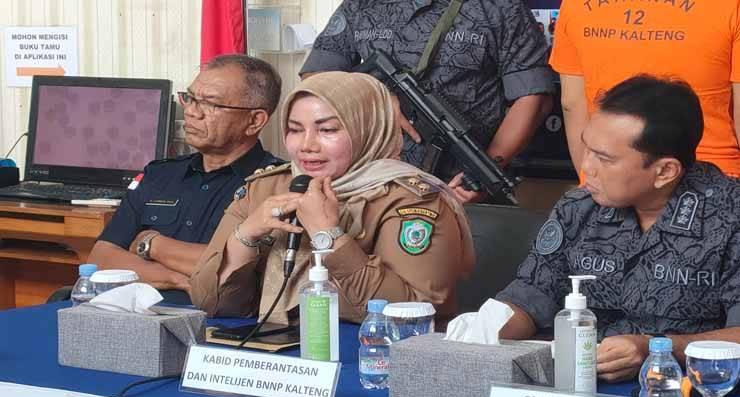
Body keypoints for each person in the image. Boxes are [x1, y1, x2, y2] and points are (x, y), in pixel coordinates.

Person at [495, 76, 740, 382]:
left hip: (694, 395)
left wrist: (659, 349)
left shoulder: (729, 217)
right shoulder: (578, 207)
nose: (587, 167)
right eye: (588, 149)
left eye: (604, 159)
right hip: (576, 387)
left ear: (665, 171)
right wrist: (486, 327)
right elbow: (532, 295)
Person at [189, 72, 475, 329]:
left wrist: (330, 237)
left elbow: (410, 316)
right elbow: (209, 303)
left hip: (371, 356)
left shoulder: (411, 200)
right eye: (295, 129)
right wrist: (245, 237)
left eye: (327, 130)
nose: (307, 146)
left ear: (367, 129)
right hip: (272, 354)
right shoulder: (266, 188)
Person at [299, 0, 555, 203]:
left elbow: (533, 97)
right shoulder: (361, 5)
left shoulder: (500, 7)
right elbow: (315, 76)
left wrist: (486, 170)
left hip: (459, 188)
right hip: (370, 186)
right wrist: (373, 97)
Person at [88, 54, 282, 304]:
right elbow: (101, 259)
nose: (190, 112)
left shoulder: (275, 184)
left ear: (254, 120)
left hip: (216, 320)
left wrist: (151, 244)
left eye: (209, 104)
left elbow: (242, 271)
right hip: (135, 314)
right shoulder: (160, 174)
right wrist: (178, 279)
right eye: (189, 98)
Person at [550, 0, 740, 177]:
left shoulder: (575, 5)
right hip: (712, 178)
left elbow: (572, 104)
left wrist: (590, 177)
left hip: (609, 174)